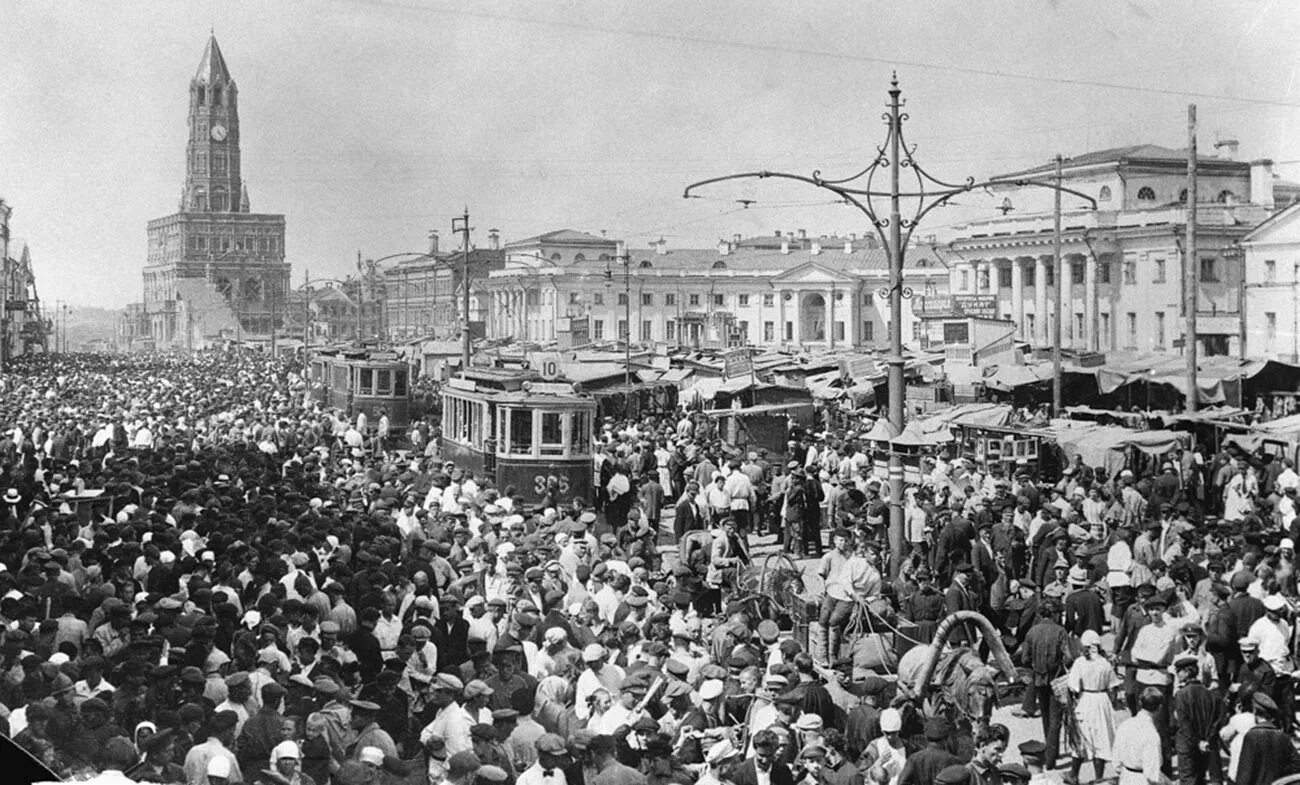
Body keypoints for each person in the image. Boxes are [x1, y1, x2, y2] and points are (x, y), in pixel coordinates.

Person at [817, 528, 877, 664]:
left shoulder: (851, 557)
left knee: (834, 621)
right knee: (823, 618)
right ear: (834, 541)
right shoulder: (828, 557)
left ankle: (832, 655)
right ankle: (822, 654)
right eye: (840, 540)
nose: (843, 543)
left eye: (845, 540)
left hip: (846, 596)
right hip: (832, 592)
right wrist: (823, 588)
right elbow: (821, 574)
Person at [1065, 630, 1118, 784]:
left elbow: (1073, 687)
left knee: (1082, 736)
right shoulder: (1105, 663)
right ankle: (1098, 778)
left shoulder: (1080, 663)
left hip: (1086, 700)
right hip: (1102, 701)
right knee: (1100, 739)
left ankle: (1074, 773)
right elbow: (1113, 686)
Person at [1234, 692, 1300, 785]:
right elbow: (1297, 764)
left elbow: (1245, 773)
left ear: (1255, 712)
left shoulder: (1252, 736)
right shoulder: (1282, 736)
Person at [1113, 687, 1165, 785]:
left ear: (1140, 703)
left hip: (1126, 777)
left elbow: (1116, 759)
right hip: (1143, 780)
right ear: (1159, 708)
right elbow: (1152, 774)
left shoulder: (1125, 725)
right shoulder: (1151, 734)